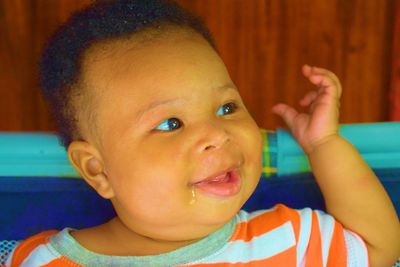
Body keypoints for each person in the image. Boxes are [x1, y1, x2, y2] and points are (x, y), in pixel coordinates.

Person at [6, 0, 400, 266]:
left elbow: (376, 248)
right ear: (97, 169)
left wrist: (323, 144)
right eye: (170, 124)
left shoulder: (286, 240)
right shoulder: (47, 261)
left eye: (226, 108)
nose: (216, 134)